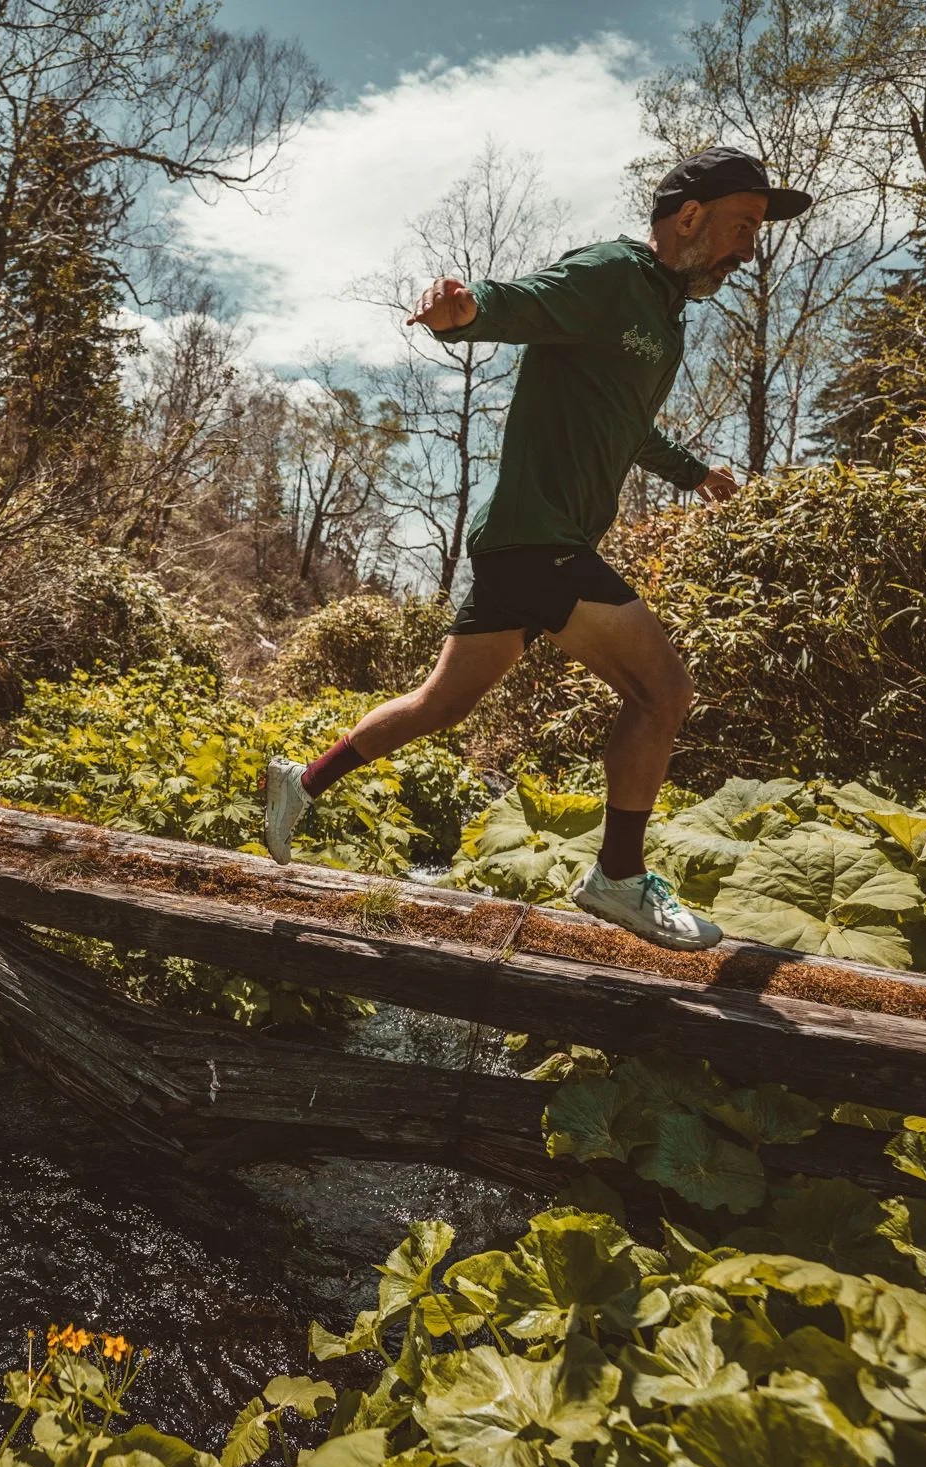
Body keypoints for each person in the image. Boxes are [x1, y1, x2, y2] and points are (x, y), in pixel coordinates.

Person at [262, 147, 813, 950]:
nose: (749, 247)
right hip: (537, 539)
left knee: (440, 705)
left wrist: (693, 471)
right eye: (742, 225)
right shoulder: (612, 274)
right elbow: (522, 303)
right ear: (688, 216)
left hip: (524, 544)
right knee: (663, 692)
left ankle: (300, 783)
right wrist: (465, 313)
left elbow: (623, 424)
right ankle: (619, 878)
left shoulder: (662, 313)